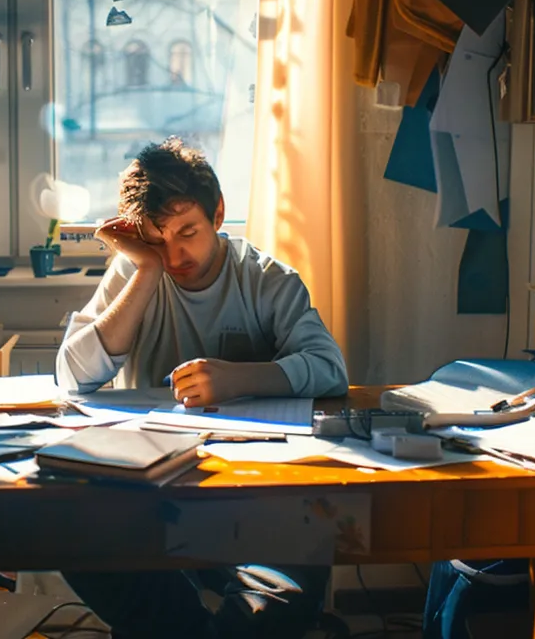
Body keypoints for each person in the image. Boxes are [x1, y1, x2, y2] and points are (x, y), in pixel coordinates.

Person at [55, 137, 349, 638]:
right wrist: (143, 268)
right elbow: (73, 376)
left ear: (218, 214)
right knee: (67, 539)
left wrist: (240, 378)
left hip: (255, 497)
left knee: (282, 594)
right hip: (151, 496)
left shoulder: (264, 279)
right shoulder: (138, 272)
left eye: (187, 232)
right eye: (157, 238)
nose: (175, 254)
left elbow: (330, 368)